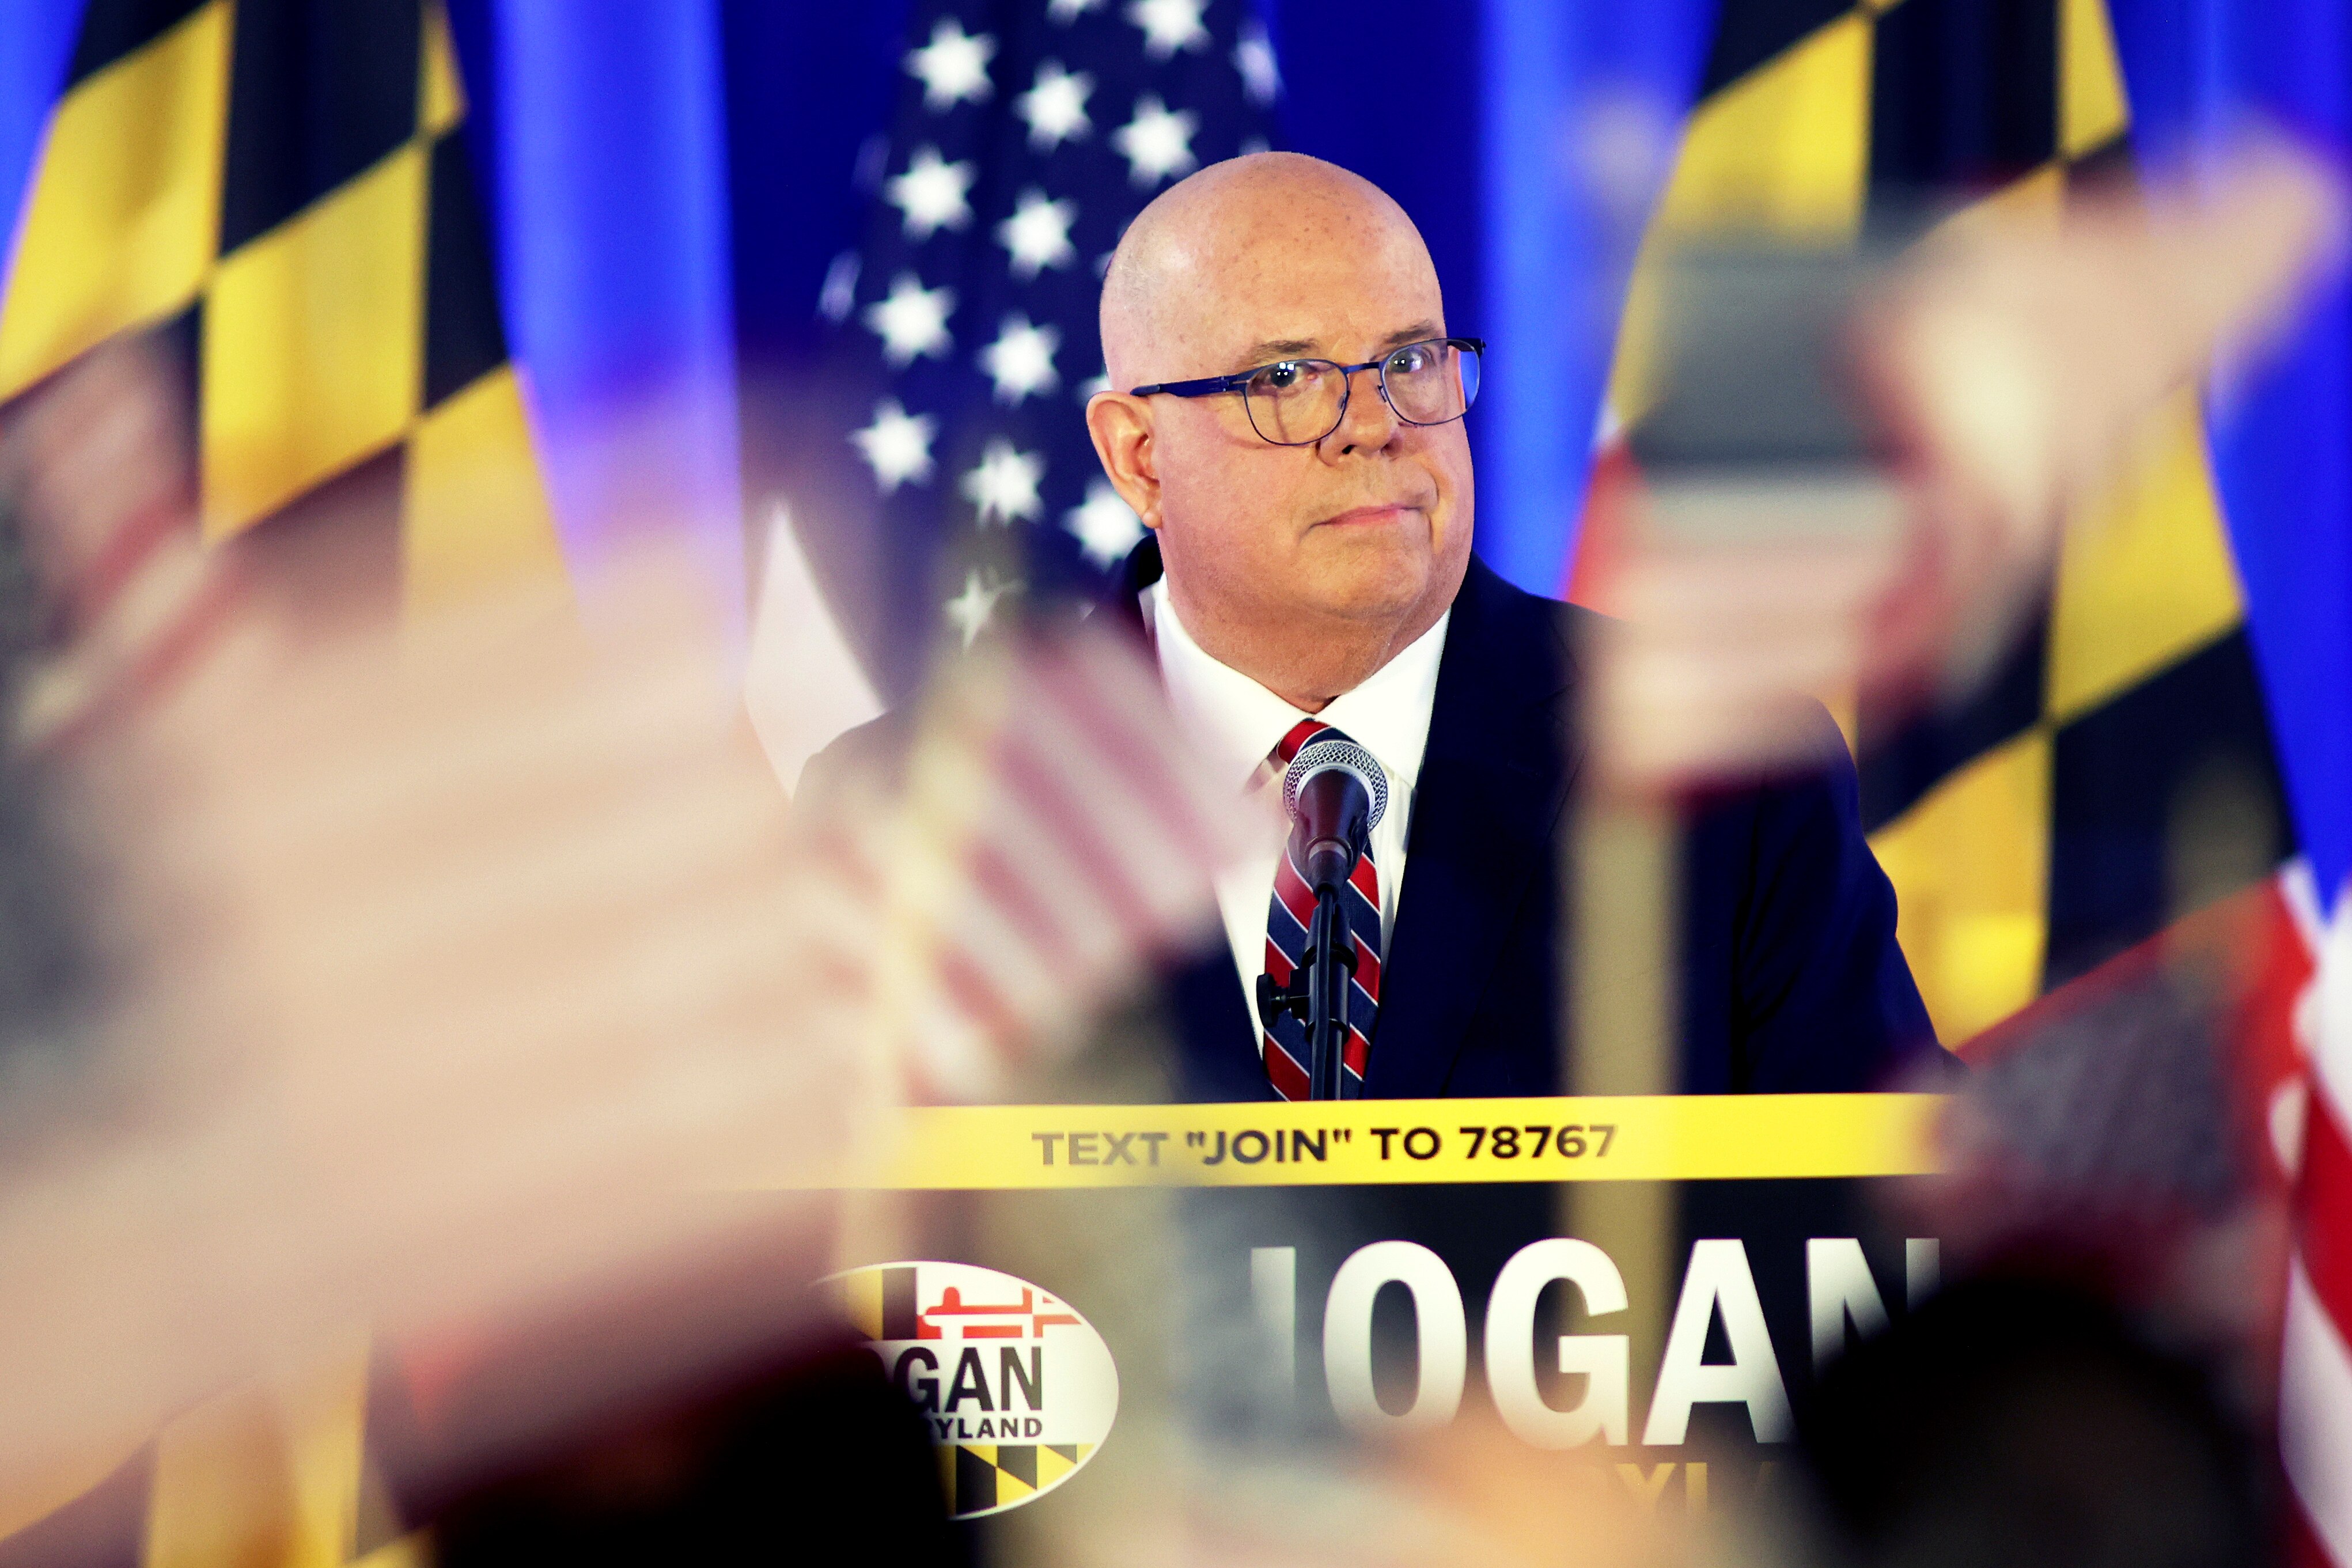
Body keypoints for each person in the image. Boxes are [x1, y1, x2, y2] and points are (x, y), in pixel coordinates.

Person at [808, 152, 1942, 1101]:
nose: (1371, 425)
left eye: (1407, 362)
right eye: (1287, 378)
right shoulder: (927, 812)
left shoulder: (1724, 768)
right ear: (1138, 457)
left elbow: (1887, 1224)